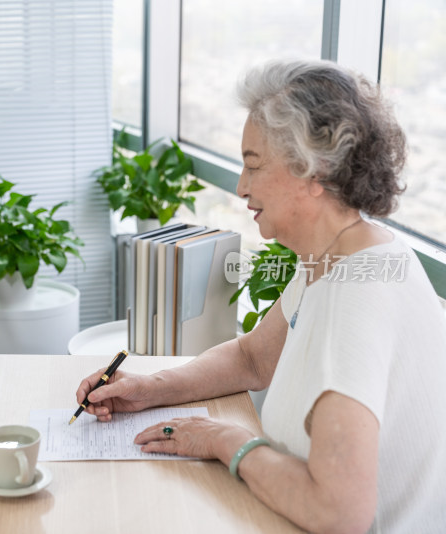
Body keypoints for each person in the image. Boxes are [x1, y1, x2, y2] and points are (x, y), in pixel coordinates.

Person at [76, 59, 446, 533]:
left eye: (253, 165)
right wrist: (151, 388)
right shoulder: (343, 252)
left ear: (314, 172)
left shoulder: (359, 293)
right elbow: (254, 358)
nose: (240, 187)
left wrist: (225, 441)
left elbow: (339, 514)